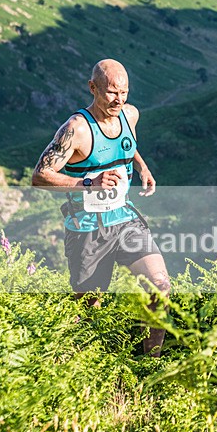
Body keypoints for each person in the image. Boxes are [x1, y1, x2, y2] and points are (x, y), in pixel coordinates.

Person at [32, 59, 170, 356]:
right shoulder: (76, 129)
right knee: (90, 311)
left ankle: (151, 364)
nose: (119, 100)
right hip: (86, 227)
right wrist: (88, 183)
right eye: (111, 93)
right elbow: (39, 176)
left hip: (124, 219)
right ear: (92, 88)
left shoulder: (130, 115)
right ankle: (97, 368)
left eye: (124, 92)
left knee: (160, 286)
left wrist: (143, 168)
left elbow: (127, 145)